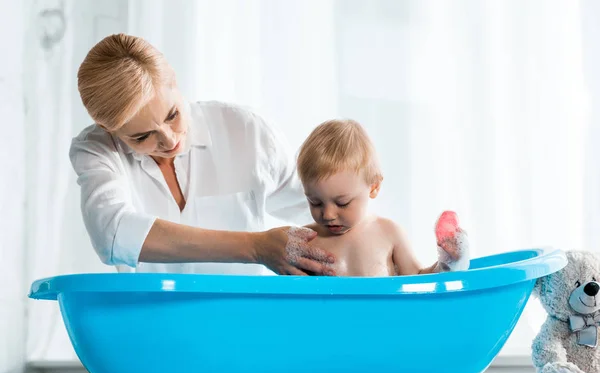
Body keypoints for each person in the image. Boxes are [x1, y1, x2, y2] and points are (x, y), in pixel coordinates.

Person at [71, 33, 338, 286]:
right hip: (151, 323)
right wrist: (255, 247)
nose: (169, 140)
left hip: (245, 320)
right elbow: (113, 234)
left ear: (173, 80)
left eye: (172, 115)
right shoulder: (97, 149)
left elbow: (325, 212)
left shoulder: (247, 131)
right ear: (109, 130)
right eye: (142, 137)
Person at [296, 119, 470, 276]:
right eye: (315, 202)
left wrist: (449, 262)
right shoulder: (305, 242)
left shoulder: (388, 233)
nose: (327, 214)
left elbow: (417, 279)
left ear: (374, 187)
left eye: (342, 203)